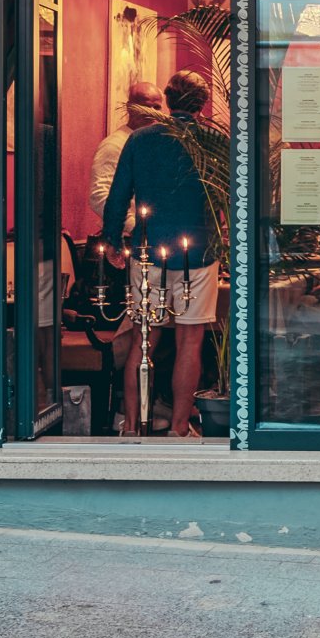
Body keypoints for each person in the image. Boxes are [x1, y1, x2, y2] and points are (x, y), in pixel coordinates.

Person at [105, 71, 219, 438]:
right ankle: (180, 428)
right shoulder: (213, 141)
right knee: (190, 341)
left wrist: (112, 242)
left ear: (168, 101)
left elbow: (117, 196)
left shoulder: (140, 140)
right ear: (202, 104)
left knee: (143, 339)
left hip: (147, 249)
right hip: (199, 252)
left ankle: (134, 427)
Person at [90, 83, 166, 233]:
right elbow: (99, 196)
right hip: (127, 240)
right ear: (130, 108)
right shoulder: (113, 145)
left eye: (157, 108)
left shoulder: (153, 143)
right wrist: (135, 227)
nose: (152, 113)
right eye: (146, 106)